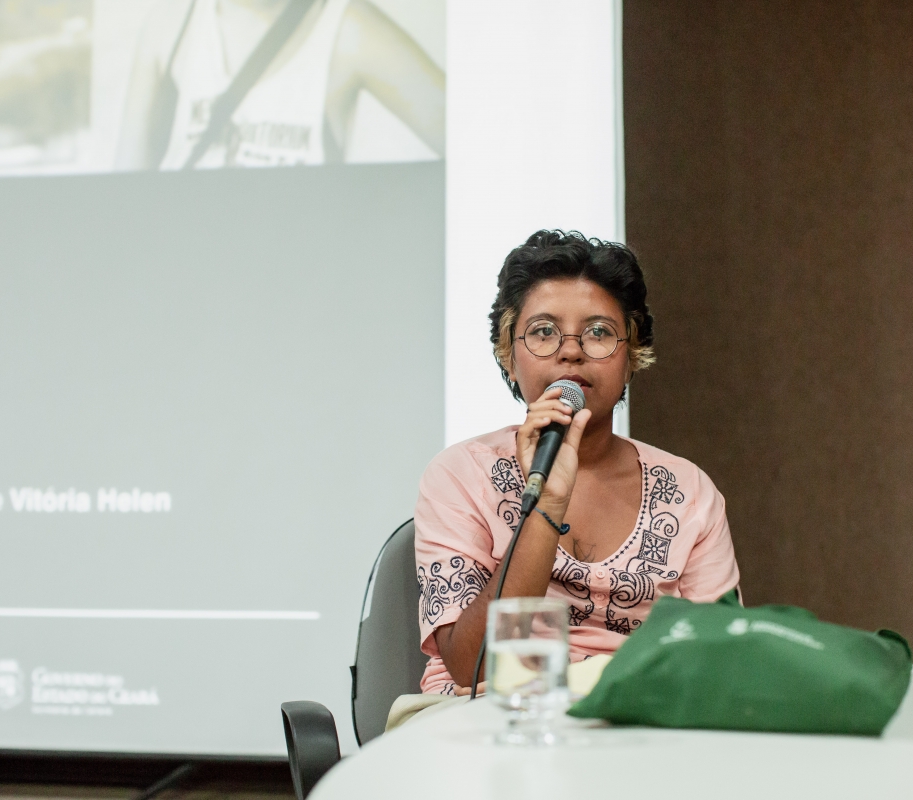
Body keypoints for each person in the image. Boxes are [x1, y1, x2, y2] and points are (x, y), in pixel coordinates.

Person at [415, 230, 741, 696]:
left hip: (631, 713)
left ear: (632, 357)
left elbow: (722, 660)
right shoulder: (459, 475)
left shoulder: (690, 491)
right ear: (509, 357)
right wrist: (546, 505)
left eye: (599, 332)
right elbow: (474, 665)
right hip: (487, 714)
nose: (571, 351)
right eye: (543, 331)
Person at [114, 0, 443, 170]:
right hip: (186, 266)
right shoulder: (171, 23)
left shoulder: (349, 29)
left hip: (293, 271)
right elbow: (124, 195)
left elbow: (467, 139)